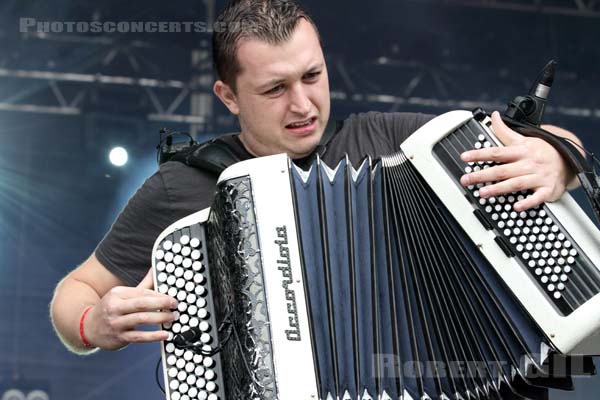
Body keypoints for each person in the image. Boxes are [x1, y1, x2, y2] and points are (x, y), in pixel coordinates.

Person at [50, 0, 583, 354]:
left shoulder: (393, 142)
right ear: (228, 96)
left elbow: (555, 140)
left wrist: (557, 158)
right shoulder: (182, 187)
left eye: (312, 76)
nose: (303, 104)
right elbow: (73, 294)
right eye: (275, 89)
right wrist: (90, 326)